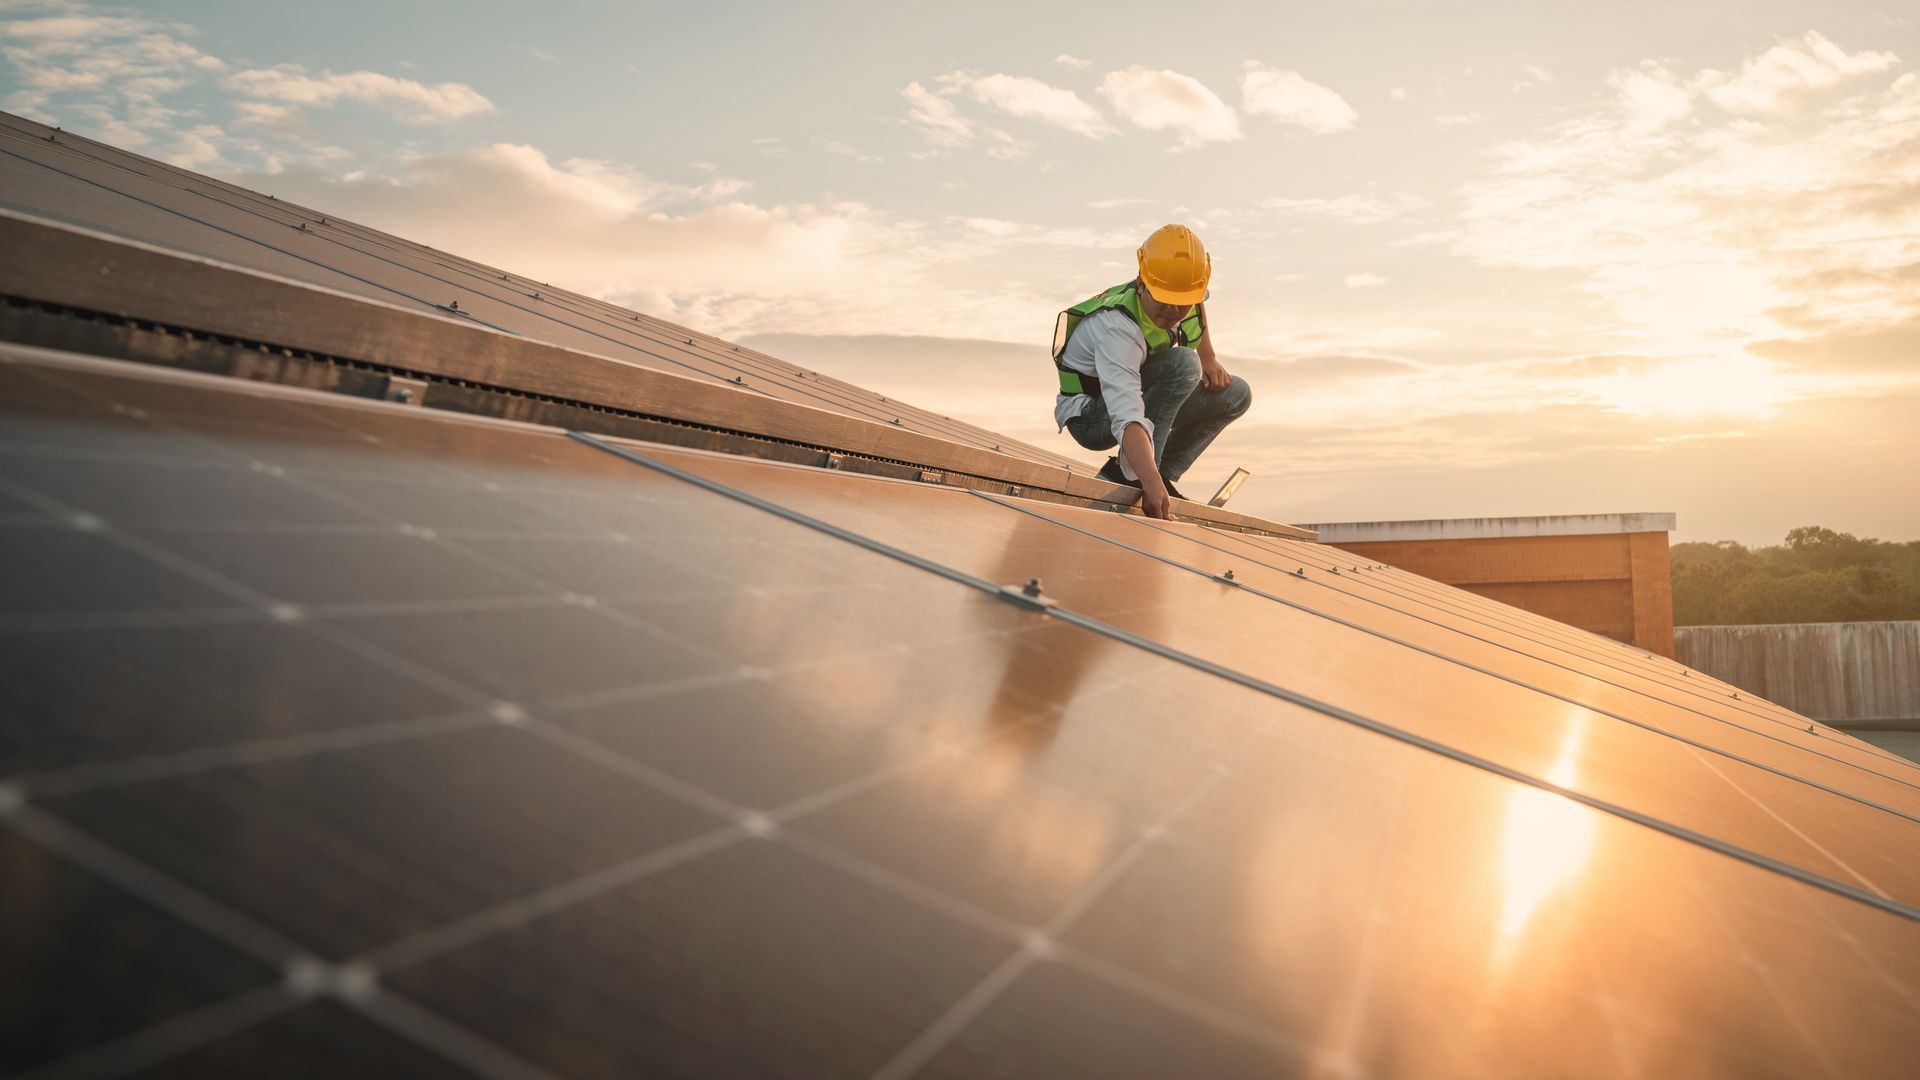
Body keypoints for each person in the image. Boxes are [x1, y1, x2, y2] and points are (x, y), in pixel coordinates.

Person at [1050, 224, 1252, 520]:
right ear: (1141, 283)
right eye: (1163, 299)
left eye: (1182, 302)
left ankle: (1164, 476)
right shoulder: (1117, 328)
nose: (1173, 310)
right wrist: (1147, 480)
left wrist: (1208, 357)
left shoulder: (1181, 290)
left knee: (1236, 394)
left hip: (1139, 396)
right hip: (1091, 416)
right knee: (1182, 364)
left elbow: (1197, 303)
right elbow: (1125, 413)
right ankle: (1132, 473)